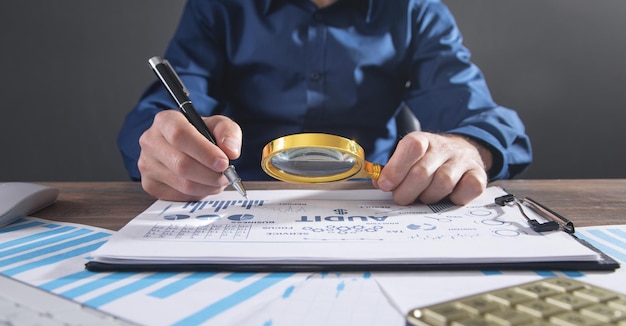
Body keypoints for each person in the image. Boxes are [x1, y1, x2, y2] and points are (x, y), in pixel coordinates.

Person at [118, 0, 532, 206]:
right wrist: (165, 145)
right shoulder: (218, 7)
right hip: (235, 197)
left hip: (377, 200)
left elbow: (481, 117)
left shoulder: (414, 9)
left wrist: (466, 147)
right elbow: (161, 111)